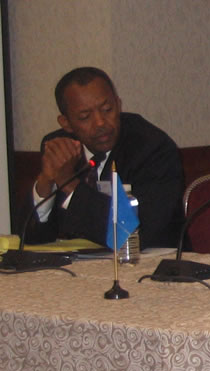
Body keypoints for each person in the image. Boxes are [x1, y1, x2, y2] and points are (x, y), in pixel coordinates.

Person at [27, 66, 185, 248]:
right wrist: (46, 182)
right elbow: (31, 239)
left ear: (118, 104)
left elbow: (136, 232)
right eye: (85, 117)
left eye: (107, 109)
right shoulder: (59, 148)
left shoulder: (152, 148)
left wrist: (69, 184)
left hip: (151, 260)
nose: (100, 123)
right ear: (66, 123)